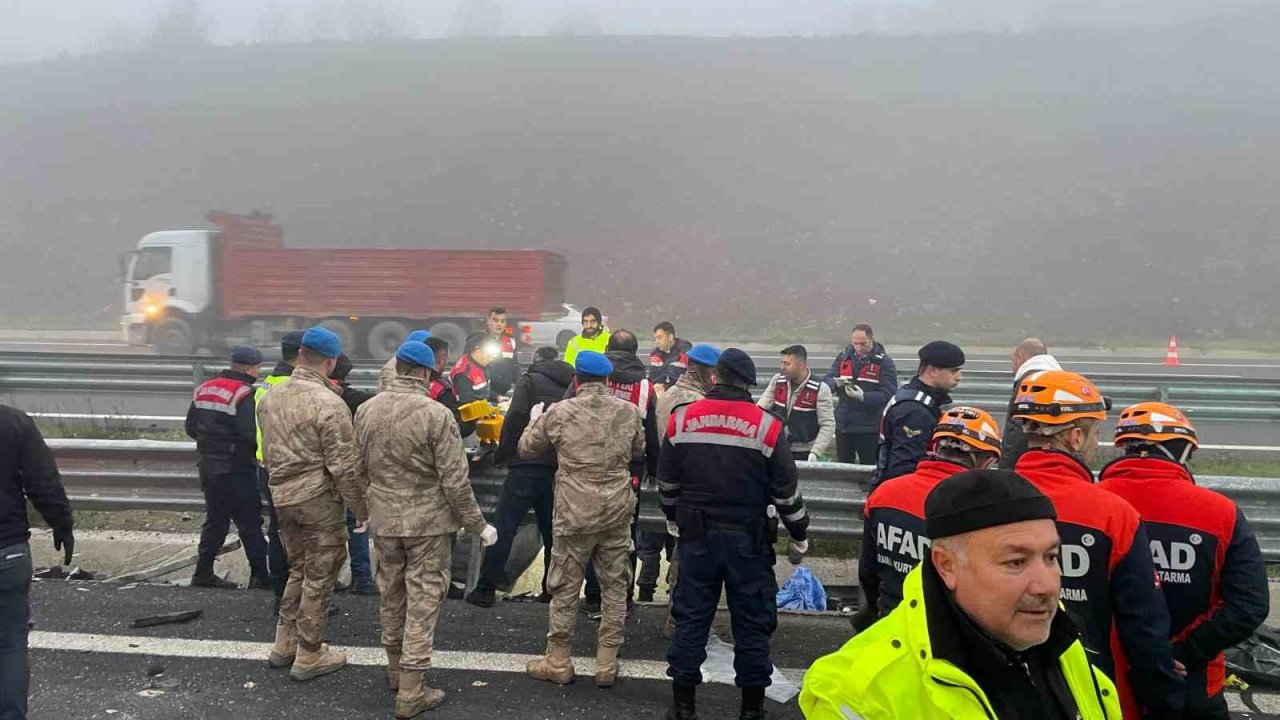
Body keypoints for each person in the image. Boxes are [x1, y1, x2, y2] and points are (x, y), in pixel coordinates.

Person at [800, 469, 1122, 720]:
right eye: (1016, 562)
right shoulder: (855, 692)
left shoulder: (1061, 637)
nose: (1046, 586)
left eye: (1051, 557)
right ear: (947, 566)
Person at [1011, 369, 1186, 718]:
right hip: (1090, 689)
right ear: (1076, 437)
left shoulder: (985, 500)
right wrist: (1165, 699)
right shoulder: (1114, 514)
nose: (1095, 445)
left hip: (1002, 686)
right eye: (1095, 435)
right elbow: (1143, 626)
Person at [659, 348, 810, 720]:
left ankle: (683, 708)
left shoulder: (682, 419)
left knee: (691, 620)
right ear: (748, 384)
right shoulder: (767, 426)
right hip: (748, 541)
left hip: (696, 539)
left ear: (716, 377)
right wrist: (799, 532)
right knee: (752, 624)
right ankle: (751, 711)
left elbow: (667, 483)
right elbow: (786, 494)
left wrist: (675, 516)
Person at [354, 341, 498, 717]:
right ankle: (411, 690)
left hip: (385, 522)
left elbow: (357, 468)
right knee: (422, 601)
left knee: (391, 595)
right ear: (424, 373)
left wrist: (361, 511)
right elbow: (454, 480)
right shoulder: (436, 414)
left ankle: (394, 671)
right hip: (428, 525)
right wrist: (478, 524)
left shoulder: (367, 410)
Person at [1099, 402, 1268, 719]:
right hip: (1193, 684)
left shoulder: (1092, 504)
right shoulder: (1221, 512)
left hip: (1104, 682)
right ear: (1180, 450)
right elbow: (1249, 605)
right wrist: (1180, 653)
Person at [518, 351, 645, 689]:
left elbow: (527, 448)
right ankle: (606, 663)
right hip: (616, 509)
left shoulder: (560, 412)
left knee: (565, 585)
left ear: (577, 380)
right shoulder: (629, 411)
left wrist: (534, 420)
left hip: (574, 510)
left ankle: (558, 660)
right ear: (607, 380)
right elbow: (639, 449)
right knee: (614, 586)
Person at [258, 326, 369, 681]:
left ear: (301, 354)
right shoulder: (329, 404)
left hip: (281, 497)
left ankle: (284, 643)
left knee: (298, 569)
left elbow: (267, 452)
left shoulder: (270, 396)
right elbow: (343, 466)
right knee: (320, 575)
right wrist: (360, 508)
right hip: (317, 501)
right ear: (331, 362)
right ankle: (309, 653)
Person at [853, 406, 1002, 631]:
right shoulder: (983, 510)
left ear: (937, 447)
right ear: (984, 460)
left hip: (891, 623)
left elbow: (868, 570)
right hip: (950, 633)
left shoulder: (885, 493)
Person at [466, 346, 574, 608]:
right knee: (553, 533)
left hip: (525, 465)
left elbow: (514, 417)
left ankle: (485, 589)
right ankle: (551, 591)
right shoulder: (572, 384)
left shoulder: (529, 380)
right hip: (556, 468)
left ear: (536, 361)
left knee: (505, 527)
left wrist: (503, 453)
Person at [575, 329, 660, 617]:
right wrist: (654, 470)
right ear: (636, 353)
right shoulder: (645, 387)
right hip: (629, 470)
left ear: (608, 349)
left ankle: (594, 596)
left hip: (587, 465)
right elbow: (652, 434)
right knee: (626, 534)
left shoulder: (593, 380)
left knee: (591, 530)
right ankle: (623, 597)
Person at [1, 404, 72, 720]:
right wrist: (62, 523)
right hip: (7, 549)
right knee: (9, 644)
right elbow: (43, 482)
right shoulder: (13, 422)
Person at [184, 345, 270, 589]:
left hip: (208, 466)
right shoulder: (244, 394)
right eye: (257, 368)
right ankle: (260, 577)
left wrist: (211, 446)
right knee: (250, 523)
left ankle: (203, 573)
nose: (258, 372)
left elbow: (190, 427)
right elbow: (249, 434)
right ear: (249, 368)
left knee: (216, 520)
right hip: (236, 469)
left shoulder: (204, 388)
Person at [874, 340, 964, 485]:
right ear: (933, 371)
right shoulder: (914, 410)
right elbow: (905, 467)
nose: (959, 377)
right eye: (953, 371)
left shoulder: (917, 398)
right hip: (903, 491)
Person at [256, 330, 305, 598]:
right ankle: (298, 597)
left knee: (277, 531)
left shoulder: (266, 385)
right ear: (301, 354)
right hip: (292, 469)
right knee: (301, 534)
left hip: (266, 467)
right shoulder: (295, 389)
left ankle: (281, 594)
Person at [329, 353, 377, 596]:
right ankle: (362, 579)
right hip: (349, 469)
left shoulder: (316, 396)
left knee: (326, 528)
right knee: (356, 522)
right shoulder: (356, 399)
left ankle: (327, 579)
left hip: (321, 473)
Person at [823, 324, 897, 465]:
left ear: (871, 339)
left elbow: (889, 395)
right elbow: (827, 381)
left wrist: (864, 397)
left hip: (868, 428)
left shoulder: (884, 362)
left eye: (863, 344)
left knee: (869, 468)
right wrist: (835, 383)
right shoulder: (843, 357)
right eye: (855, 343)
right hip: (843, 425)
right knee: (843, 468)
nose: (859, 347)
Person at [757, 344, 835, 462]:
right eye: (782, 363)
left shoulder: (821, 389)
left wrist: (815, 452)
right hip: (776, 447)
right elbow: (760, 410)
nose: (782, 367)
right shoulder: (777, 381)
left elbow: (827, 424)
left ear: (800, 365)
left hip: (804, 452)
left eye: (787, 364)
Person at [1001, 337, 1061, 467]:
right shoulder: (1062, 382)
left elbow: (1017, 433)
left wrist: (1006, 470)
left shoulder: (1028, 384)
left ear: (1019, 358)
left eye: (1012, 361)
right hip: (1058, 463)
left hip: (1027, 466)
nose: (1012, 367)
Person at [424, 336, 467, 434]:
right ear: (442, 359)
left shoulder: (408, 382)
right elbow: (453, 428)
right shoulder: (442, 390)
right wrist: (473, 422)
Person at [451, 332, 494, 406]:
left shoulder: (481, 365)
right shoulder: (464, 374)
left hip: (484, 407)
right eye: (489, 354)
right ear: (477, 351)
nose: (491, 358)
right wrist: (492, 407)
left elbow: (483, 390)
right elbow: (467, 405)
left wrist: (498, 397)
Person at [484, 307, 519, 399]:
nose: (499, 324)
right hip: (485, 392)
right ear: (488, 321)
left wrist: (522, 385)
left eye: (502, 321)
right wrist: (495, 396)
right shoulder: (480, 340)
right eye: (495, 320)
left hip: (504, 392)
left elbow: (515, 366)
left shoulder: (510, 341)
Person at [649, 321, 692, 394]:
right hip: (659, 390)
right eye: (655, 339)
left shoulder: (684, 351)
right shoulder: (655, 354)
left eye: (660, 338)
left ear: (670, 337)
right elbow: (653, 375)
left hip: (680, 391)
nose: (657, 341)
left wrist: (662, 383)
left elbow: (676, 373)